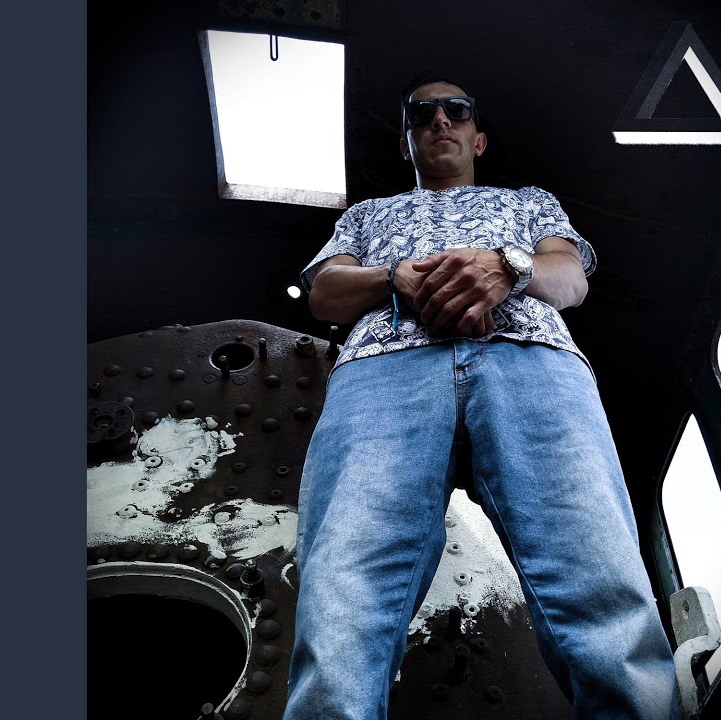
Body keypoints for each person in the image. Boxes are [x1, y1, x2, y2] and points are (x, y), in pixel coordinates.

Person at [284, 73, 679, 720]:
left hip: (531, 359)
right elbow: (325, 291)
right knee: (343, 593)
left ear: (478, 136)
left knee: (597, 578)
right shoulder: (366, 215)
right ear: (406, 144)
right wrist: (394, 277)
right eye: (422, 114)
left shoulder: (530, 202)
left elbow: (570, 278)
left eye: (456, 110)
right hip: (383, 371)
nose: (440, 121)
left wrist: (507, 267)